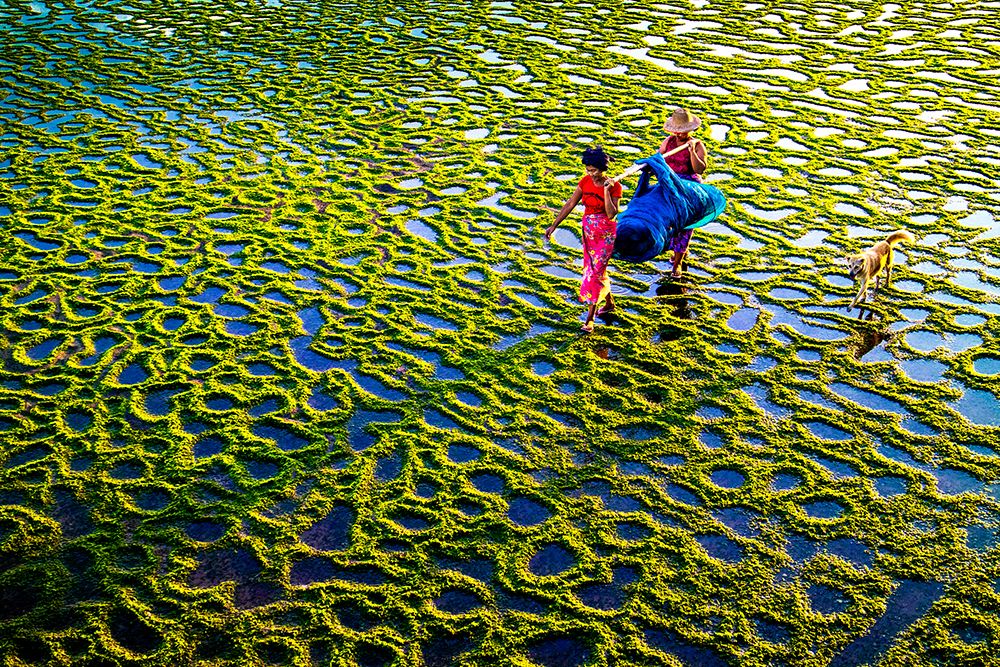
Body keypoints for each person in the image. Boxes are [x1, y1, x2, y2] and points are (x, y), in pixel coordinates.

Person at [545, 146, 622, 333]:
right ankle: (609, 303)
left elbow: (612, 214)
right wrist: (554, 225)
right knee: (594, 269)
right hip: (588, 232)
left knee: (595, 273)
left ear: (602, 169)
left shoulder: (615, 186)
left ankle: (590, 319)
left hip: (605, 233)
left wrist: (606, 191)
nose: (591, 174)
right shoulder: (585, 182)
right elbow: (571, 203)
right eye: (588, 170)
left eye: (594, 170)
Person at [658, 108, 708, 279]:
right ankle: (678, 252)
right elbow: (659, 159)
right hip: (671, 185)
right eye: (677, 131)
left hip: (689, 188)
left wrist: (692, 151)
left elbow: (699, 169)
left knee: (685, 225)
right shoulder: (668, 142)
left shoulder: (698, 144)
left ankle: (678, 263)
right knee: (671, 223)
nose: (679, 134)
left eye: (683, 131)